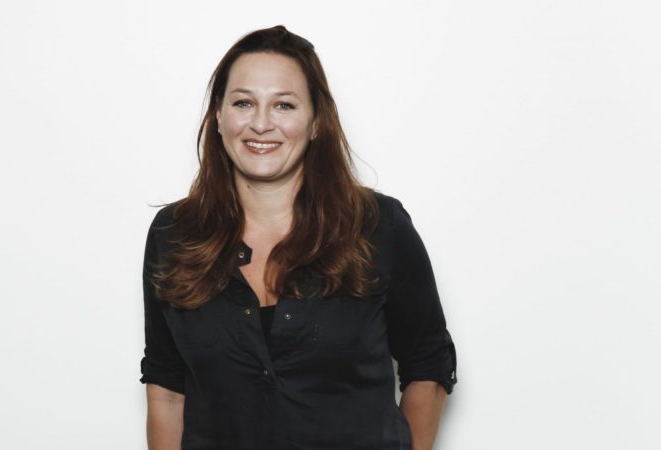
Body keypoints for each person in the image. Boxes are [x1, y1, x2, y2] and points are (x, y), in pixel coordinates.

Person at [140, 25, 457, 450]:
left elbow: (427, 365)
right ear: (218, 116)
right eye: (243, 103)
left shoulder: (379, 226)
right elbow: (165, 388)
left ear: (315, 123)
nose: (261, 124)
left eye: (284, 105)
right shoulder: (175, 234)